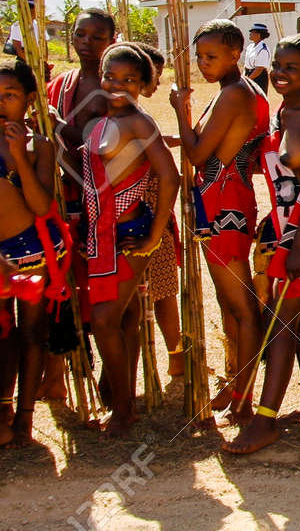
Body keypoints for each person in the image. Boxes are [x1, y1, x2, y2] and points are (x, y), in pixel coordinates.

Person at [225, 34, 300, 454]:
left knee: (283, 321)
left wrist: (298, 246)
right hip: (281, 226)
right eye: (278, 66)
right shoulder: (282, 112)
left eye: (291, 67)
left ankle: (265, 419)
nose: (280, 74)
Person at [171, 20, 269, 421]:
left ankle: (245, 398)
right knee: (232, 306)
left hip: (223, 202)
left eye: (211, 57)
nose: (202, 64)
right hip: (225, 198)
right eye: (199, 56)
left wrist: (181, 110)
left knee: (241, 307)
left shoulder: (233, 94)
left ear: (236, 54)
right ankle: (235, 385)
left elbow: (198, 156)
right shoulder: (239, 91)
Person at [82, 43, 180, 436]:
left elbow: (170, 176)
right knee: (123, 316)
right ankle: (119, 398)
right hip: (101, 233)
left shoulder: (139, 122)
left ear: (144, 85)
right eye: (110, 78)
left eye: (129, 81)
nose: (117, 86)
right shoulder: (103, 118)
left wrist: (155, 237)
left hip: (130, 233)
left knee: (104, 319)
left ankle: (123, 410)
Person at [43, 7, 117, 403]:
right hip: (65, 195)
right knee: (66, 284)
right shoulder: (62, 82)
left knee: (105, 289)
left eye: (96, 36)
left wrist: (60, 126)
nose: (86, 42)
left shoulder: (114, 84)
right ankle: (67, 367)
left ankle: (111, 374)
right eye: (80, 34)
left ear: (112, 39)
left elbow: (104, 141)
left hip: (104, 195)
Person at [0, 59, 65, 446]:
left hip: (33, 251)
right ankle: (3, 411)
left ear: (28, 100)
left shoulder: (39, 144)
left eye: (10, 95)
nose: (1, 102)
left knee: (32, 333)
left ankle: (25, 416)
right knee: (3, 334)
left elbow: (42, 206)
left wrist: (20, 157)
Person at [131, 43, 184, 380]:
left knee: (163, 288)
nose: (158, 82)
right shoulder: (124, 115)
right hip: (141, 213)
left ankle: (176, 355)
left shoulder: (135, 115)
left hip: (154, 213)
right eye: (155, 75)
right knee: (154, 292)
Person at [242, 23, 271, 94]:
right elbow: (246, 65)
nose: (250, 34)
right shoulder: (250, 47)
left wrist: (248, 80)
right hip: (248, 75)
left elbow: (259, 69)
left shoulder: (263, 49)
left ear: (258, 35)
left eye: (252, 32)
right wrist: (244, 77)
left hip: (258, 77)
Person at [6, 0, 37, 64]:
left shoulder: (38, 25)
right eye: (33, 11)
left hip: (38, 57)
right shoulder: (17, 26)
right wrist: (31, 63)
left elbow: (45, 44)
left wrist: (43, 61)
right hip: (24, 59)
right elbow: (18, 49)